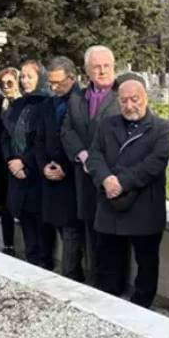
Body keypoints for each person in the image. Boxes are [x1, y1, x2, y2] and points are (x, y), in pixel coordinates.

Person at [87, 74, 169, 306]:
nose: (129, 105)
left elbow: (155, 163)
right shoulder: (106, 125)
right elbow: (94, 155)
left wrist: (121, 182)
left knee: (146, 263)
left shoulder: (161, 128)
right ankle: (109, 302)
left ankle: (141, 306)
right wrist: (105, 179)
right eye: (123, 100)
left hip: (144, 205)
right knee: (108, 262)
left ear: (145, 98)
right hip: (109, 205)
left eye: (134, 99)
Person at [61, 45, 120, 286]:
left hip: (111, 178)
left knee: (112, 240)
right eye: (97, 67)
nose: (103, 71)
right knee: (89, 234)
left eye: (107, 66)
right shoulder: (77, 99)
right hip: (84, 180)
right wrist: (83, 155)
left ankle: (111, 287)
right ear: (87, 71)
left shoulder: (121, 96)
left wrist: (99, 166)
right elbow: (67, 131)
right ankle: (95, 283)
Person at [35, 56, 84, 281]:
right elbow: (40, 139)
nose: (54, 88)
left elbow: (83, 139)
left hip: (73, 177)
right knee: (56, 226)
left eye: (58, 83)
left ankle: (70, 277)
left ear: (72, 78)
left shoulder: (82, 102)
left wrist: (65, 166)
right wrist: (44, 165)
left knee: (71, 231)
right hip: (50, 175)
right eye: (50, 83)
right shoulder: (47, 104)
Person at [2, 60, 55, 269]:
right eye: (22, 77)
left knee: (42, 229)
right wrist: (11, 162)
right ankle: (31, 264)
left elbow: (44, 141)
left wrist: (24, 162)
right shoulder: (17, 104)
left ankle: (43, 266)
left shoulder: (47, 104)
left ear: (40, 78)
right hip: (16, 175)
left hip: (37, 176)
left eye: (29, 76)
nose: (24, 81)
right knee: (26, 227)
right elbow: (5, 136)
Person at [0, 67, 21, 254]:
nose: (6, 87)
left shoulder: (25, 104)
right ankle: (8, 244)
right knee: (3, 205)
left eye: (10, 83)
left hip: (19, 163)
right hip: (0, 163)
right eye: (2, 84)